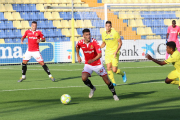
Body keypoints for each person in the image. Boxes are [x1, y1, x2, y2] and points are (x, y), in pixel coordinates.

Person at [76, 28, 119, 101]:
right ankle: (93, 88)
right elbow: (77, 47)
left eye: (89, 34)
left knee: (107, 81)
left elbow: (100, 55)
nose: (89, 36)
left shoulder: (94, 42)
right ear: (83, 36)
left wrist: (92, 60)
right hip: (88, 64)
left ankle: (114, 95)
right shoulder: (80, 42)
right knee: (84, 78)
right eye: (87, 35)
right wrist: (78, 55)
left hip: (98, 64)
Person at [101, 21, 127, 86]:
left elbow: (120, 42)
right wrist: (98, 48)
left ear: (111, 26)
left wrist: (116, 51)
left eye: (109, 26)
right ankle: (113, 82)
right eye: (106, 26)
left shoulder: (115, 33)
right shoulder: (103, 34)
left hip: (115, 53)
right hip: (107, 53)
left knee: (114, 70)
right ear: (105, 26)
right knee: (108, 68)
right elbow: (104, 43)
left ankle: (123, 74)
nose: (107, 27)